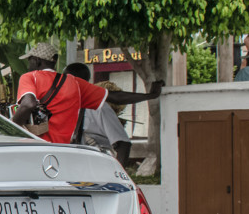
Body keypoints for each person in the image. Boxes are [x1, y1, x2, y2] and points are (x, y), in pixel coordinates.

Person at [11, 43, 162, 146]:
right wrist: (150, 95)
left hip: (36, 147)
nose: (28, 65)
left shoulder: (30, 77)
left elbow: (28, 104)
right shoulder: (75, 82)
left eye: (30, 61)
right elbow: (115, 97)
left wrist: (10, 129)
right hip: (65, 150)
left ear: (37, 61)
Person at [64, 63, 134, 164]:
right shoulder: (63, 107)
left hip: (96, 169)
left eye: (64, 80)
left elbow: (124, 144)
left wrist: (116, 176)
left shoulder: (98, 107)